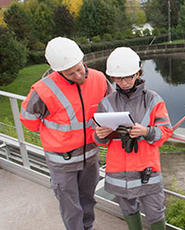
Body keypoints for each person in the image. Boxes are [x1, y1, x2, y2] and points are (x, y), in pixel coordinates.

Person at [19, 36, 114, 230]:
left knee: (88, 199)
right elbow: (28, 120)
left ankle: (88, 227)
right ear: (58, 71)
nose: (78, 76)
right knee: (70, 206)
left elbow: (113, 106)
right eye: (71, 74)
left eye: (79, 69)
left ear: (82, 59)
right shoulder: (43, 90)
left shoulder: (98, 78)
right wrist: (55, 135)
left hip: (90, 157)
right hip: (62, 162)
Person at [93, 47, 173, 230]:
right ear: (112, 78)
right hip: (118, 173)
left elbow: (166, 131)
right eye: (119, 78)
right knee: (128, 210)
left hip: (147, 172)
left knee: (155, 212)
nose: (125, 82)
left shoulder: (153, 100)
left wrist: (146, 132)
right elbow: (97, 137)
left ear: (138, 73)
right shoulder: (106, 103)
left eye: (129, 76)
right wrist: (100, 135)